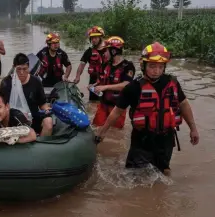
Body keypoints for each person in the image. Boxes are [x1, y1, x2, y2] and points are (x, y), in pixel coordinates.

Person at [95, 42, 199, 175]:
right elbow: (117, 112)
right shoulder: (133, 88)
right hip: (141, 140)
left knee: (164, 173)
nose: (157, 71)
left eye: (161, 67)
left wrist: (193, 129)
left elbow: (183, 104)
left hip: (166, 139)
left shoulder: (173, 83)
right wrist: (102, 133)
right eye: (152, 66)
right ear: (143, 65)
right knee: (134, 177)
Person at [0, 53, 53, 137]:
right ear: (13, 67)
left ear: (28, 67)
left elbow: (42, 104)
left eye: (25, 69)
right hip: (13, 120)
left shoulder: (36, 81)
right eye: (18, 69)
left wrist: (47, 110)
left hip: (32, 118)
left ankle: (41, 146)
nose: (21, 72)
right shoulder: (6, 83)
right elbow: (4, 106)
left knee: (48, 122)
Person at [91, 36, 135, 129]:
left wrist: (105, 87)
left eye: (106, 51)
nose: (104, 53)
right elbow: (101, 80)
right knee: (96, 127)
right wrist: (94, 86)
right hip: (103, 103)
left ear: (113, 51)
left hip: (118, 106)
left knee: (115, 132)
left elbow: (126, 85)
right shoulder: (106, 64)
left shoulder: (128, 66)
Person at [73, 26, 110, 101]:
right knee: (93, 103)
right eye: (92, 38)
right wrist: (77, 77)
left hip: (107, 80)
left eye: (96, 38)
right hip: (93, 81)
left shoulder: (109, 50)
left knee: (107, 102)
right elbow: (81, 65)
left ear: (100, 38)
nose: (94, 40)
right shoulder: (89, 52)